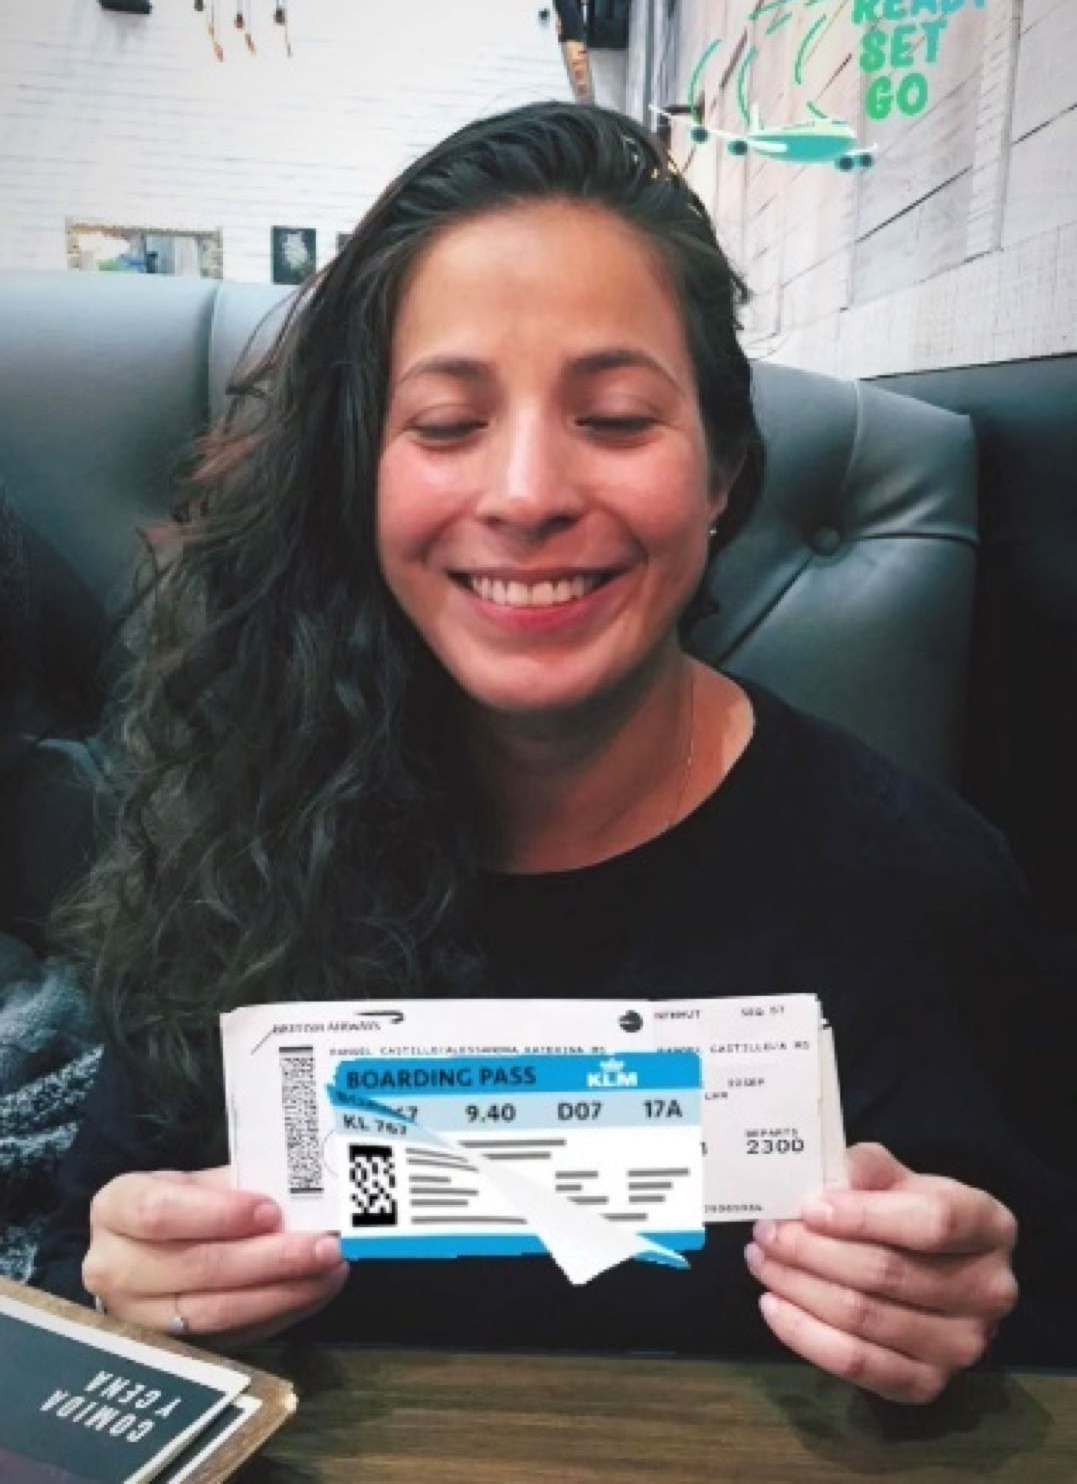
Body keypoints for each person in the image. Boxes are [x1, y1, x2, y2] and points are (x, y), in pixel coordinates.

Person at [31, 102, 1074, 1402]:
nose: (525, 493)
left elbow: (1037, 1315)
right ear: (362, 479)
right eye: (448, 424)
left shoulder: (921, 889)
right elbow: (84, 1265)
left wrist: (966, 1314)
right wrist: (134, 1289)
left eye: (618, 417)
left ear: (721, 478)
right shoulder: (229, 833)